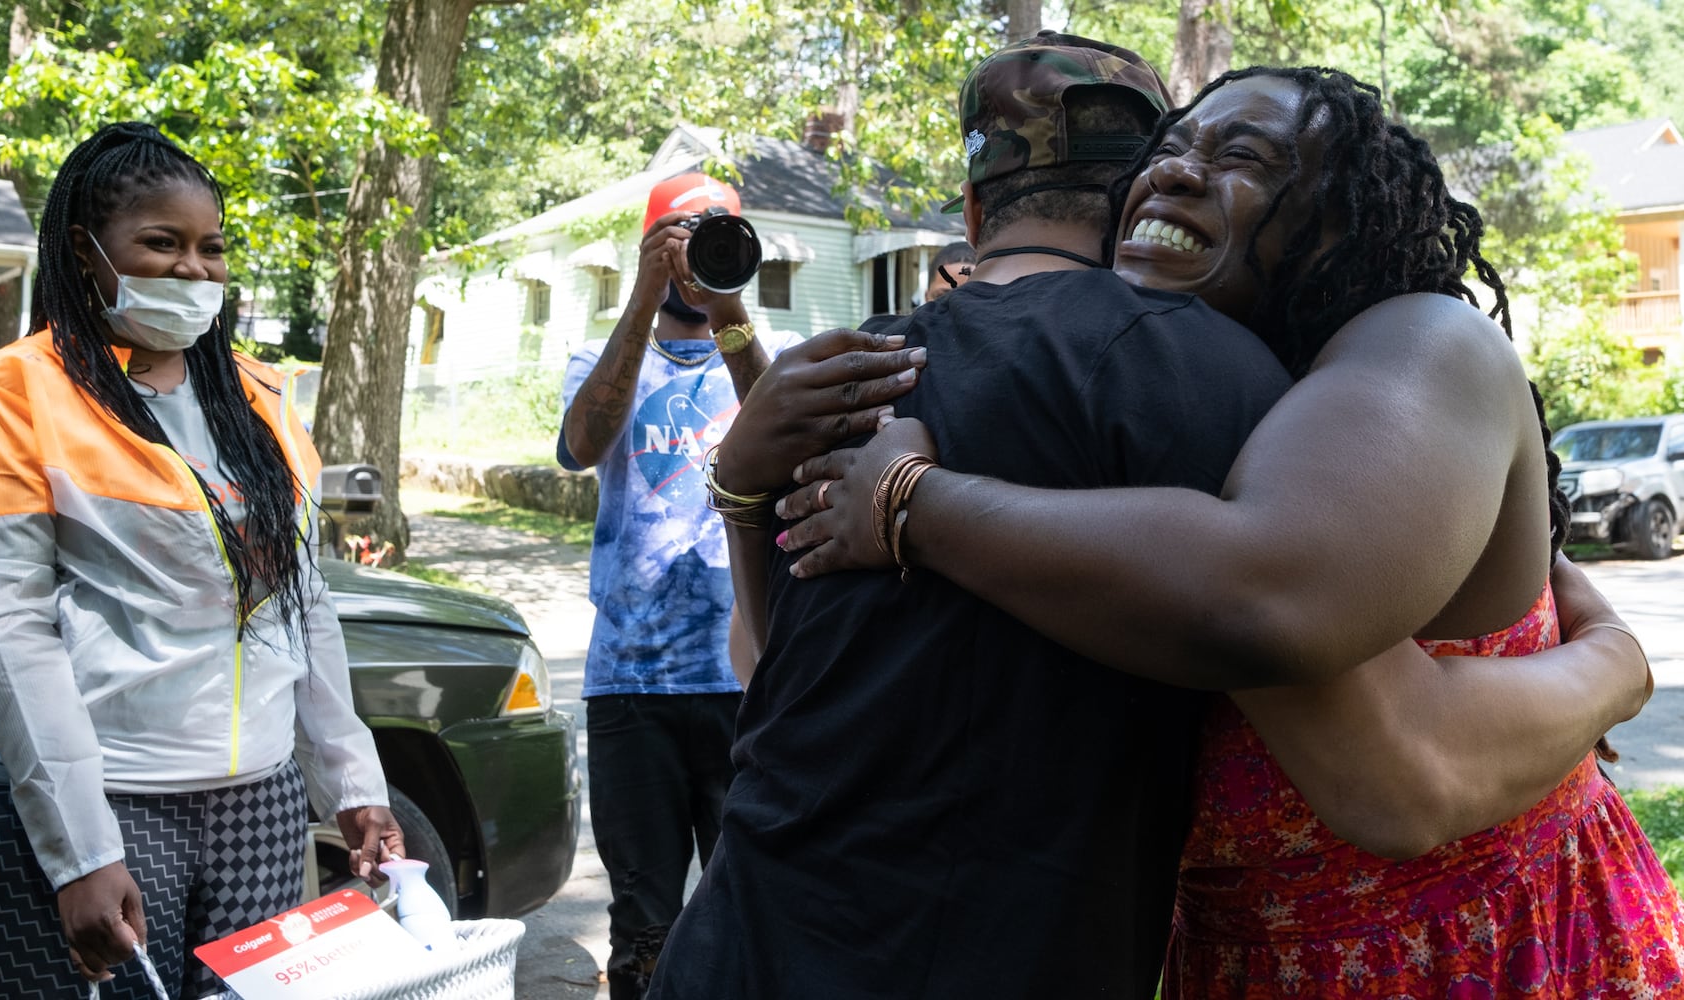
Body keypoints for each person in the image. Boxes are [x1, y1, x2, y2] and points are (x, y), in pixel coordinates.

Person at [763, 67, 1683, 994]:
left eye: (1241, 155)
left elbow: (1373, 741)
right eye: (1163, 150)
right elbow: (807, 676)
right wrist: (739, 485)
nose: (1173, 172)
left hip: (1491, 953)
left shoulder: (1421, 342)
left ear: (1340, 215)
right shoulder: (1171, 410)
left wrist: (917, 502)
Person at [649, 33, 1302, 999]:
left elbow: (762, 668)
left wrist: (743, 492)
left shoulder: (841, 371)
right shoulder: (1211, 369)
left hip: (744, 938)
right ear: (1138, 194)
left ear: (969, 208)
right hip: (1017, 951)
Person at [0, 122, 403, 1000]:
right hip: (114, 801)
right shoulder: (18, 394)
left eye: (211, 248)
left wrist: (352, 784)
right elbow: (11, 631)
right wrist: (83, 854)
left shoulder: (258, 398)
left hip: (261, 804)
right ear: (85, 250)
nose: (193, 270)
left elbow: (305, 605)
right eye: (161, 243)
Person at [556, 172, 799, 1000]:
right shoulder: (598, 356)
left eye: (720, 236)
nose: (703, 255)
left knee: (756, 910)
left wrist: (730, 313)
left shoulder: (768, 358)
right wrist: (644, 294)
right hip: (630, 684)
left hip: (748, 680)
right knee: (644, 929)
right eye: (687, 238)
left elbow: (789, 444)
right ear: (654, 248)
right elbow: (584, 443)